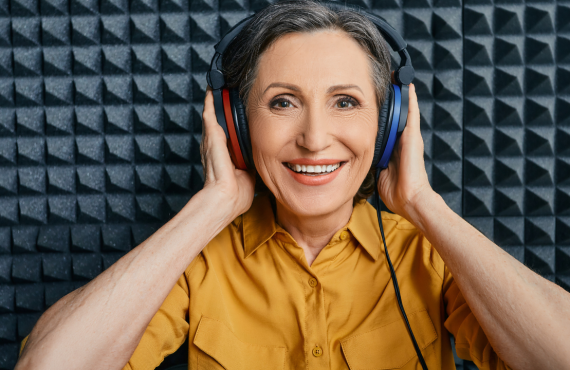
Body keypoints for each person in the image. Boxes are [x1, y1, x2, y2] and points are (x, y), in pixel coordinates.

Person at [15, 1, 570, 369]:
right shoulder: (197, 262)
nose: (313, 138)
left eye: (346, 102)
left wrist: (425, 206)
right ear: (236, 125)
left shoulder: (430, 255)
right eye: (282, 103)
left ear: (391, 124)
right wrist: (211, 207)